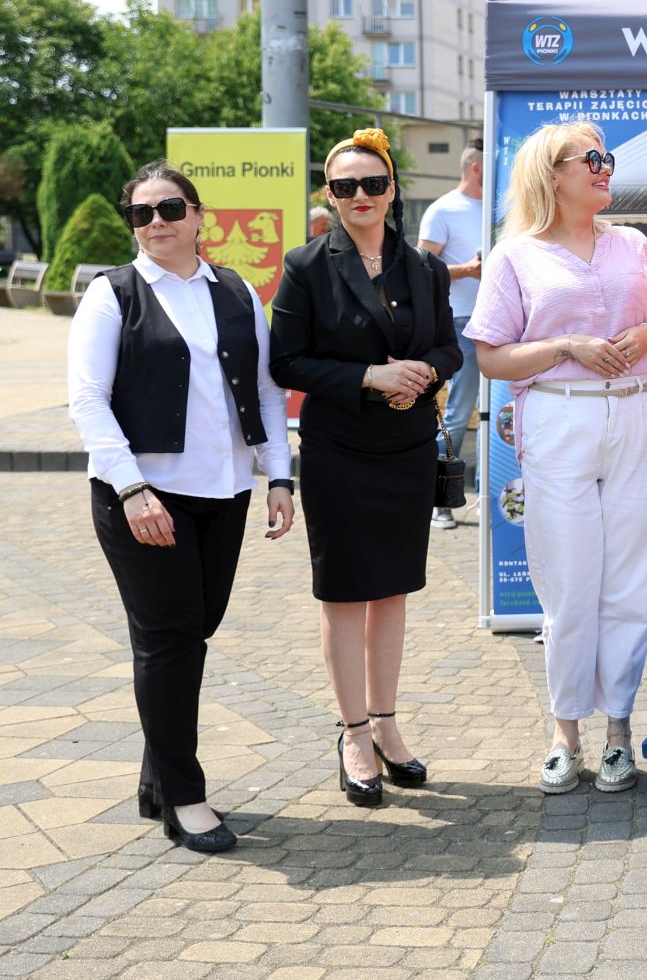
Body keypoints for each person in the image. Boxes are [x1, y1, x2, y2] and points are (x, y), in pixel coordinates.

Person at [67, 161, 295, 853]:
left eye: (170, 208)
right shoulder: (113, 294)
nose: (156, 221)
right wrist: (132, 488)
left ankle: (156, 778)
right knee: (168, 640)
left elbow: (265, 390)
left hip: (224, 492)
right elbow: (87, 400)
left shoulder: (236, 290)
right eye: (142, 213)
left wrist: (279, 476)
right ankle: (185, 798)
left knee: (195, 632)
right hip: (143, 497)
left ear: (199, 216)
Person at [466, 120, 647, 796]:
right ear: (550, 174)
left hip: (637, 410)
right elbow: (491, 356)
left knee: (632, 580)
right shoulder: (514, 255)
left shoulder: (634, 243)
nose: (604, 166)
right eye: (591, 157)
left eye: (606, 156)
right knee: (568, 581)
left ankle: (618, 731)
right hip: (559, 416)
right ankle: (565, 733)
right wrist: (566, 346)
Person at [270, 128, 460, 808]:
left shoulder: (425, 268)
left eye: (373, 183)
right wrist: (369, 376)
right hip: (340, 451)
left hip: (407, 449)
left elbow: (450, 347)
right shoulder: (306, 265)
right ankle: (353, 732)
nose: (361, 196)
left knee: (393, 592)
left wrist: (423, 372)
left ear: (392, 189)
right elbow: (285, 361)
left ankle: (386, 723)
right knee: (347, 593)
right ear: (329, 194)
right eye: (346, 186)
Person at [418, 142, 487, 529]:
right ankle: (438, 501)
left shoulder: (502, 207)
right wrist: (469, 269)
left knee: (504, 412)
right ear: (476, 167)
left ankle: (492, 499)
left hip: (507, 322)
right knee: (461, 410)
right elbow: (422, 269)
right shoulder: (443, 209)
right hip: (462, 320)